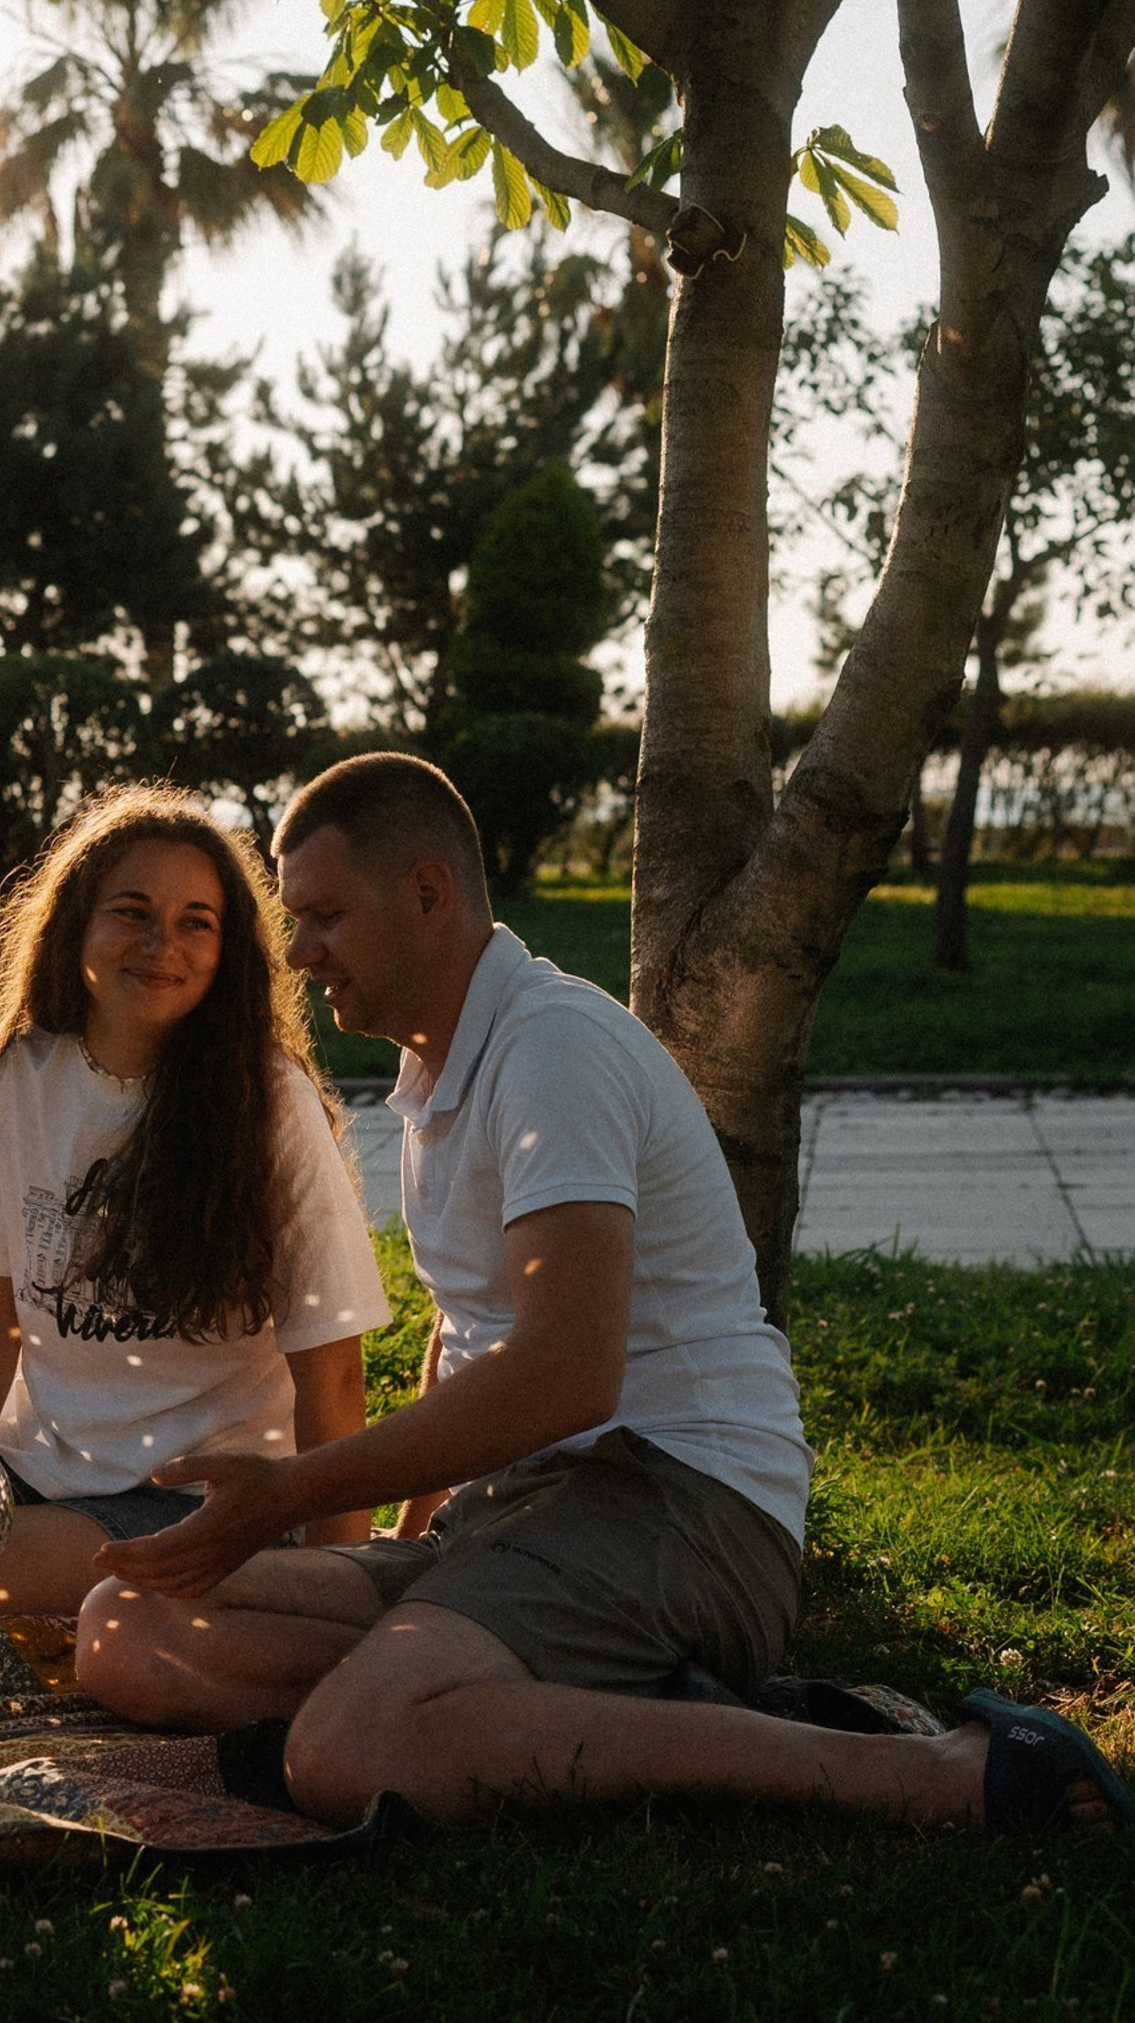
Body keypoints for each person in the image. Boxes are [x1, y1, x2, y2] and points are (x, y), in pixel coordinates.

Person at [78, 753, 1131, 1835]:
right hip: (534, 1512)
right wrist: (411, 1548)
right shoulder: (439, 1070)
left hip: (680, 1497)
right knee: (128, 1625)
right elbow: (471, 1332)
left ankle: (935, 1772)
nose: (298, 953)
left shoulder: (552, 1050)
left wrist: (290, 1493)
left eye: (325, 915)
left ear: (428, 894)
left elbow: (567, 1373)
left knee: (348, 1753)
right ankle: (585, 1702)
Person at [0, 783, 390, 1639]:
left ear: (228, 950)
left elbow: (332, 1372)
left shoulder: (271, 1104)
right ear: (77, 923)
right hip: (32, 1471)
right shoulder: (17, 1079)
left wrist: (329, 1584)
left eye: (198, 921)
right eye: (133, 912)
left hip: (192, 1501)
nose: (164, 944)